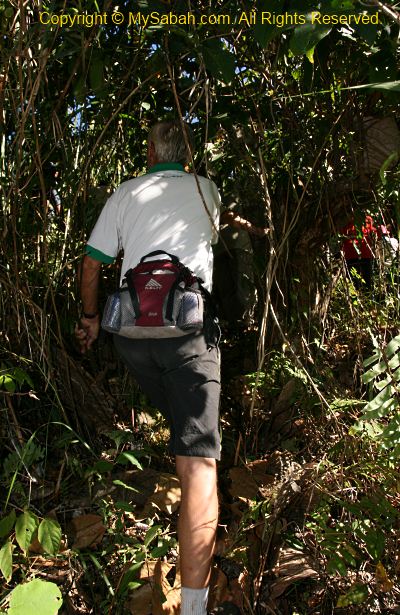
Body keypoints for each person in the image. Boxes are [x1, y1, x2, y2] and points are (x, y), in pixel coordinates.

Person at [76, 120, 221, 615]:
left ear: (149, 152)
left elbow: (92, 264)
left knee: (176, 417)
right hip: (188, 334)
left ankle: (180, 447)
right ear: (187, 153)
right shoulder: (207, 190)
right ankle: (196, 608)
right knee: (197, 464)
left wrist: (92, 319)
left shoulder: (127, 192)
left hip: (133, 338)